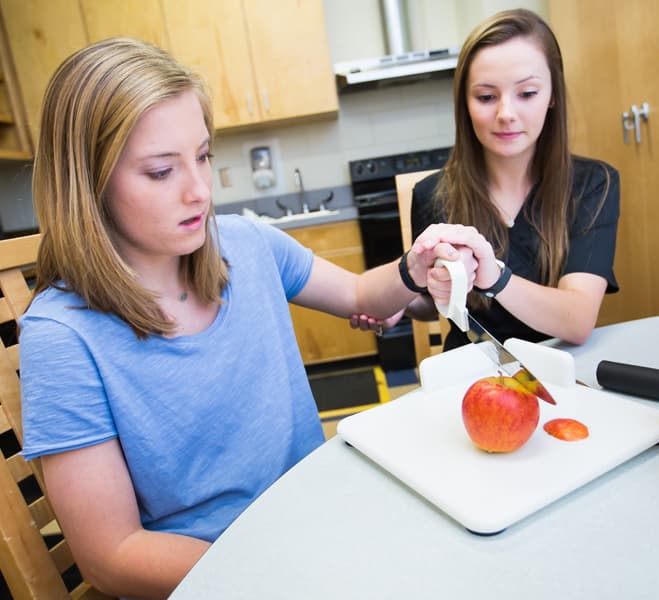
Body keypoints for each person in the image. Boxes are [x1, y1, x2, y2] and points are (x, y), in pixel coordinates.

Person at [19, 37, 497, 599]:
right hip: (220, 577)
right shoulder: (62, 337)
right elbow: (113, 555)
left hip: (316, 527)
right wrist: (282, 574)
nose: (200, 192)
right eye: (159, 172)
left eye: (201, 156)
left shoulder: (245, 245)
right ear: (88, 183)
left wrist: (414, 268)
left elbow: (361, 295)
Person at [351, 9, 620, 348]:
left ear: (553, 94)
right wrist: (400, 303)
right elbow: (435, 304)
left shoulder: (593, 184)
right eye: (486, 97)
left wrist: (494, 277)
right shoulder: (433, 194)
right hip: (469, 372)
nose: (506, 114)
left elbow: (577, 320)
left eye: (527, 93)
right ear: (464, 103)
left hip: (562, 369)